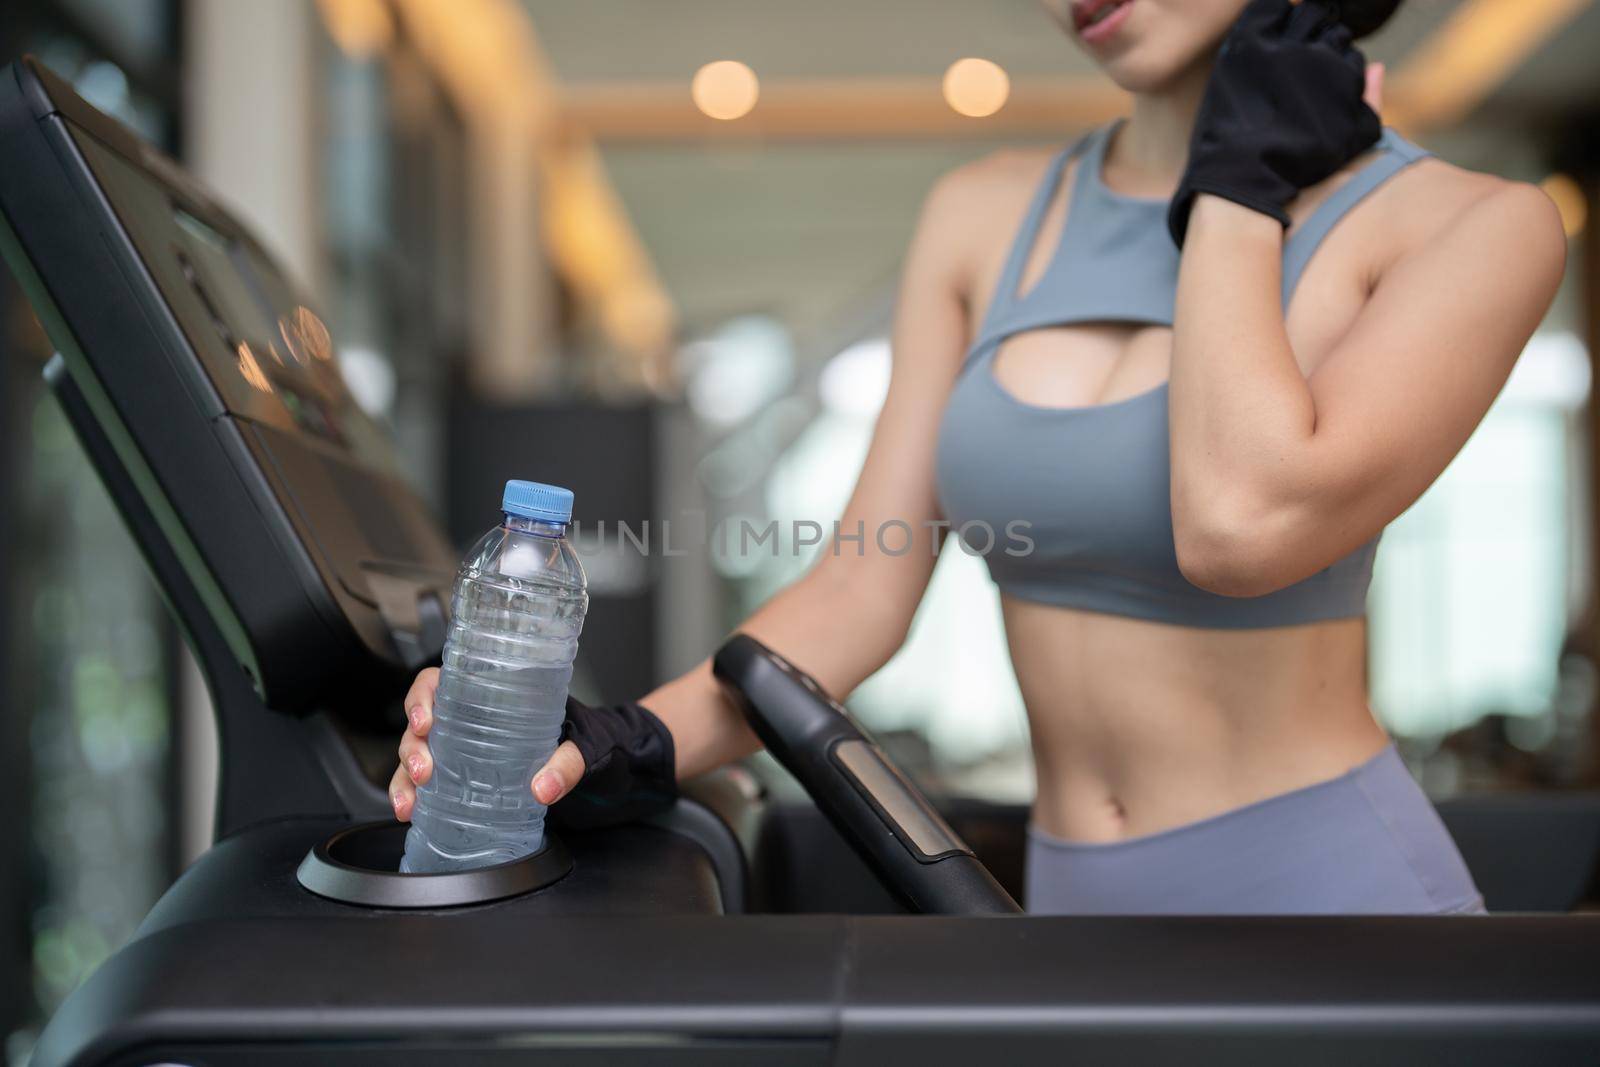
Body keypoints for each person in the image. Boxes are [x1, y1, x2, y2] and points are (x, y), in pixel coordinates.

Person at [391, 0, 1566, 914]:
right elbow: (860, 582)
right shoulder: (982, 213)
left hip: (1330, 893)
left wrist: (1236, 188)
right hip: (1066, 905)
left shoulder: (1469, 227)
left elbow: (1236, 525)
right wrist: (614, 744)